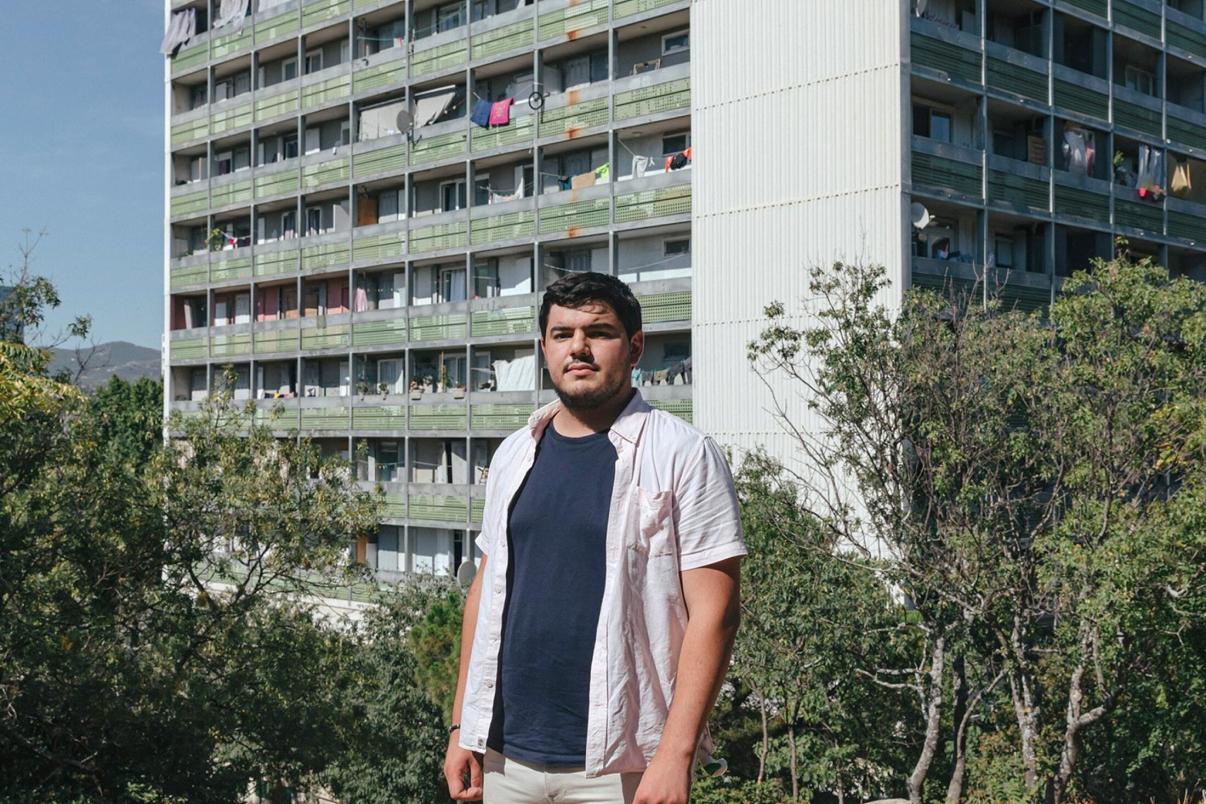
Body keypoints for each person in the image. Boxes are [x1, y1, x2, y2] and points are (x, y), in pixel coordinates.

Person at [443, 272, 746, 804]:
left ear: (635, 347)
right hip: (505, 757)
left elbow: (716, 612)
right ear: (545, 348)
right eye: (562, 334)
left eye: (598, 332)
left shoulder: (683, 454)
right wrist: (460, 728)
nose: (578, 347)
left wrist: (676, 754)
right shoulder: (514, 453)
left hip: (622, 764)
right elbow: (485, 590)